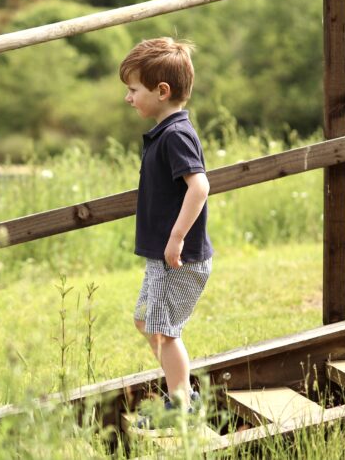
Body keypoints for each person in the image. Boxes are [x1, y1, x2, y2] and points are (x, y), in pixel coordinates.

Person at [119, 37, 213, 418]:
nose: (128, 98)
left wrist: (176, 239)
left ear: (162, 91)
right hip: (164, 258)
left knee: (164, 331)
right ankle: (183, 395)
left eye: (133, 89)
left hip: (178, 258)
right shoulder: (165, 132)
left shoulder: (176, 135)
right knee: (146, 321)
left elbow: (200, 186)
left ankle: (181, 403)